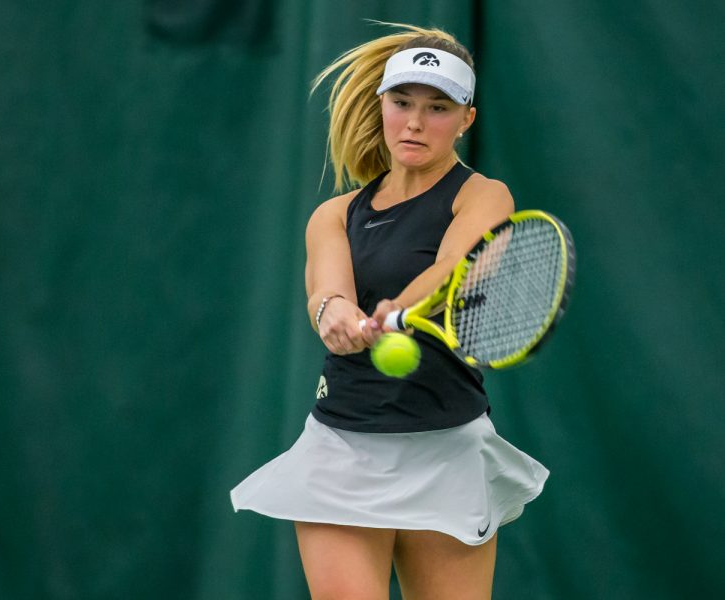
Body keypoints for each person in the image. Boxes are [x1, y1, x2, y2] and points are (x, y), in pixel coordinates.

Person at [231, 23, 548, 600]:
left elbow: (456, 266)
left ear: (466, 119)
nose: (416, 122)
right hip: (342, 446)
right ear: (382, 103)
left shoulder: (484, 195)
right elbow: (325, 291)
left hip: (447, 445)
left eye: (438, 108)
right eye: (402, 102)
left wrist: (399, 307)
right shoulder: (333, 214)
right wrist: (334, 313)